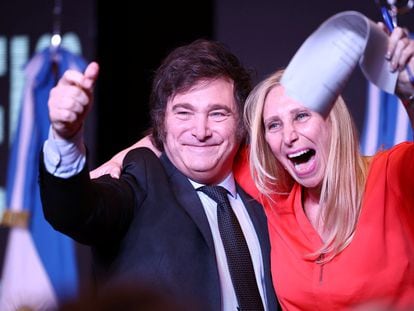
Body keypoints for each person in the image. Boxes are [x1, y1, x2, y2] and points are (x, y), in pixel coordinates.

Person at [91, 25, 414, 310]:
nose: (289, 135)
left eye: (302, 116)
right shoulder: (272, 194)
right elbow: (195, 138)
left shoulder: (391, 176)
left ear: (333, 121)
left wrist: (411, 94)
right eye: (273, 125)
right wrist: (123, 158)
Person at [39, 39, 279, 311]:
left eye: (217, 114)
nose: (200, 131)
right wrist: (65, 136)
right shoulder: (141, 176)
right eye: (184, 113)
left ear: (241, 123)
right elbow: (75, 212)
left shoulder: (266, 196)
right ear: (161, 122)